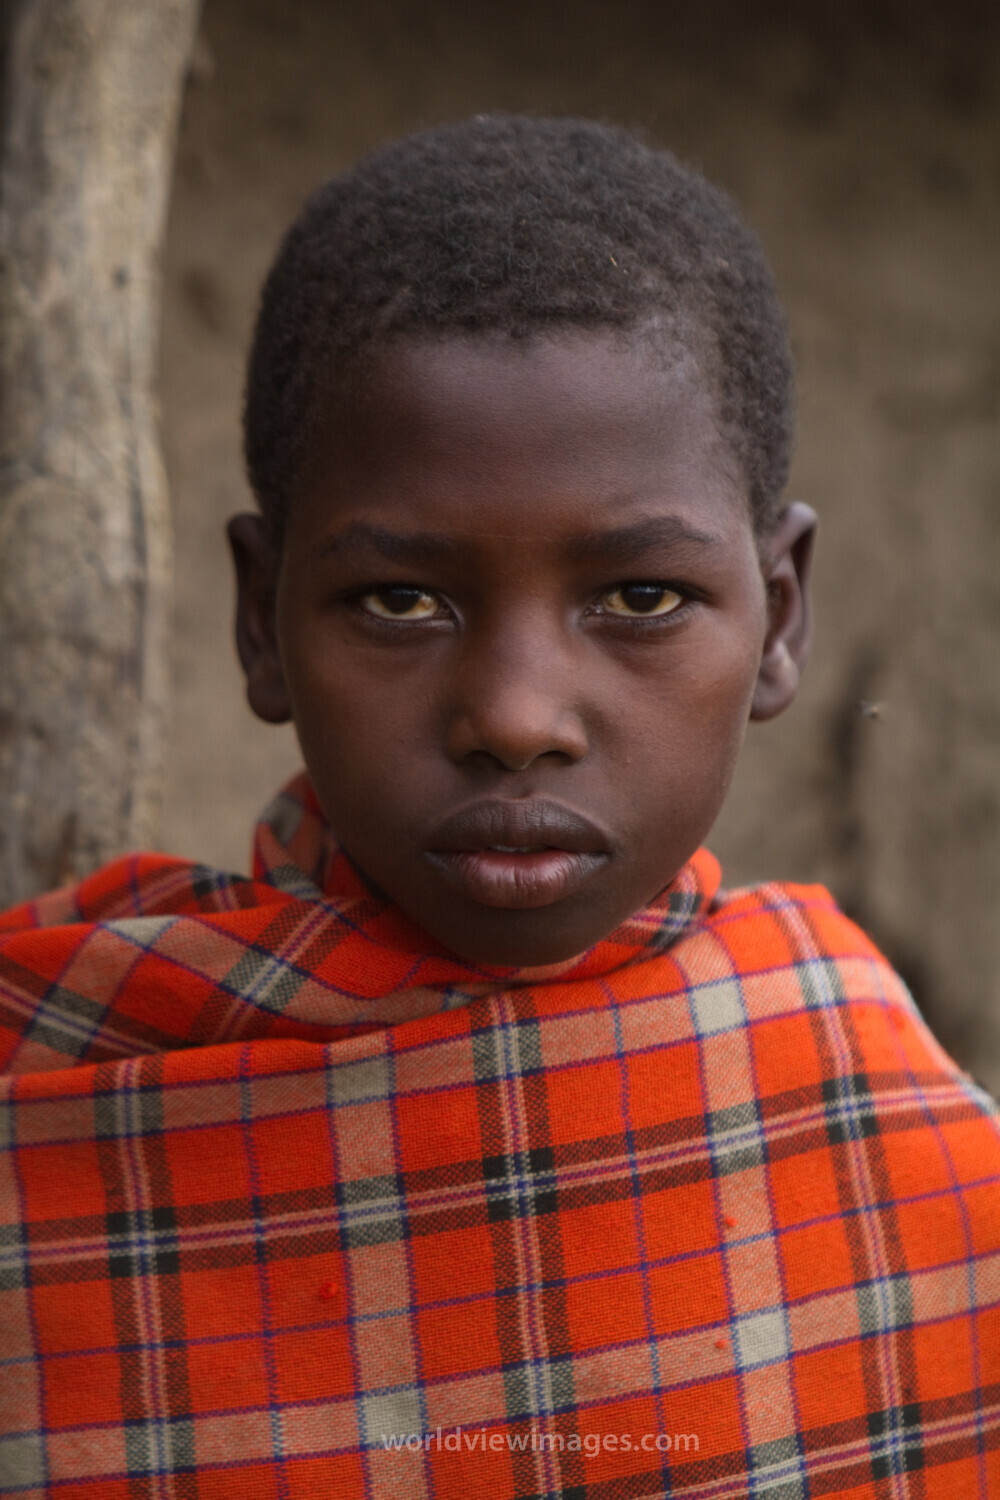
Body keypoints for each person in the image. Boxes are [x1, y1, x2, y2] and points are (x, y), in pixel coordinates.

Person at [1, 116, 997, 1499]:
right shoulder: (57, 1104)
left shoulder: (924, 1188)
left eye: (641, 596)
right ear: (260, 621)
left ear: (778, 620)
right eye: (401, 600)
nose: (517, 717)